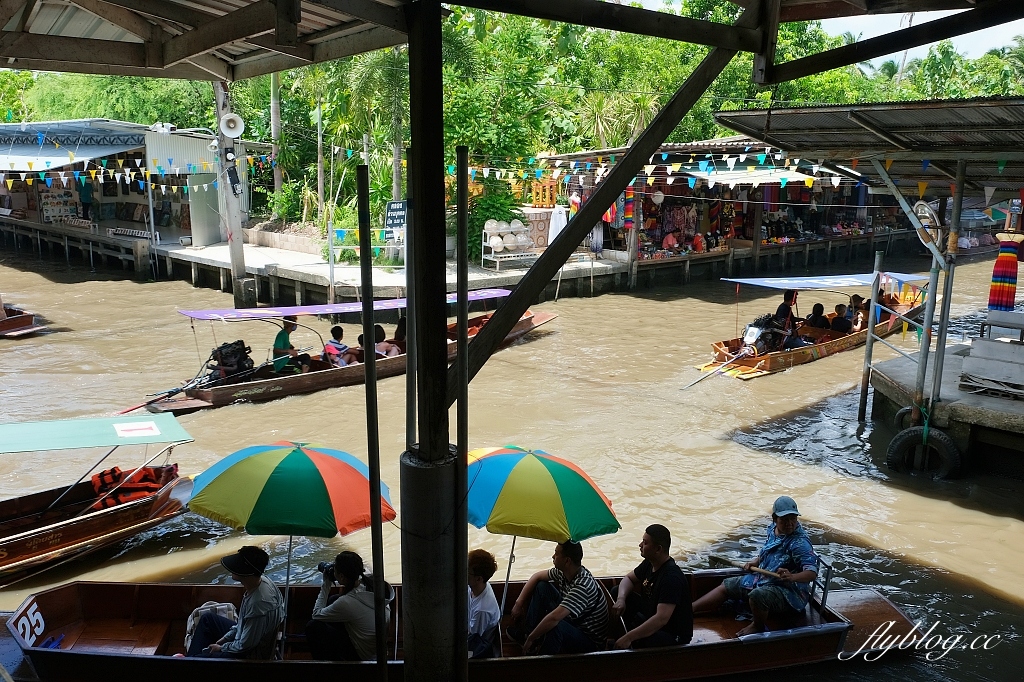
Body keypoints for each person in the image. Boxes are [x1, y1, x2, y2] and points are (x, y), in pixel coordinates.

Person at [691, 496, 818, 637]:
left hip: (788, 592)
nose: (789, 524)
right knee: (727, 585)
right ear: (775, 519)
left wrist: (792, 576)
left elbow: (812, 572)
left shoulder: (800, 543)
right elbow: (769, 551)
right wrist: (756, 561)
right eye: (784, 520)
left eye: (793, 519)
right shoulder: (773, 529)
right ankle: (691, 609)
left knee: (758, 596)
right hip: (764, 578)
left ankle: (757, 626)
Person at [508, 540, 608, 655]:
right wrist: (518, 603)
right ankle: (527, 635)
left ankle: (541, 659)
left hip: (589, 641)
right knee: (542, 586)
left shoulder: (583, 586)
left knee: (556, 625)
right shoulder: (564, 572)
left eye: (556, 553)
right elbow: (536, 576)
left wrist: (532, 637)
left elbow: (554, 618)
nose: (553, 556)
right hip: (573, 621)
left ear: (567, 561)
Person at [186, 546, 285, 658]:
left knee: (198, 659)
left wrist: (221, 648)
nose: (232, 569)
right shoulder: (262, 581)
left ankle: (191, 662)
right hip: (245, 636)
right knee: (207, 619)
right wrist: (224, 639)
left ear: (247, 573)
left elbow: (245, 645)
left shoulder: (258, 603)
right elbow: (241, 625)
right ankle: (191, 659)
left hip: (249, 655)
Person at [610, 524, 692, 649]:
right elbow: (629, 579)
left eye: (645, 543)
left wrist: (629, 637)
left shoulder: (671, 578)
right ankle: (623, 636)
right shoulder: (649, 563)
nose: (640, 545)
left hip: (672, 632)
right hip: (650, 613)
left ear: (658, 549)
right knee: (617, 591)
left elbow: (661, 619)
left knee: (644, 642)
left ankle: (627, 640)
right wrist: (621, 599)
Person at [305, 551, 389, 661]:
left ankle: (327, 669)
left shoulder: (347, 602)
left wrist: (326, 585)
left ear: (342, 577)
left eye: (335, 569)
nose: (333, 571)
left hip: (364, 655)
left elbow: (316, 615)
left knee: (313, 626)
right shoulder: (371, 583)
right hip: (376, 647)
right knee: (333, 600)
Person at [468, 549, 502, 658]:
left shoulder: (482, 610)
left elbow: (472, 637)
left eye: (467, 571)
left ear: (478, 579)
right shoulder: (480, 586)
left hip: (477, 645)